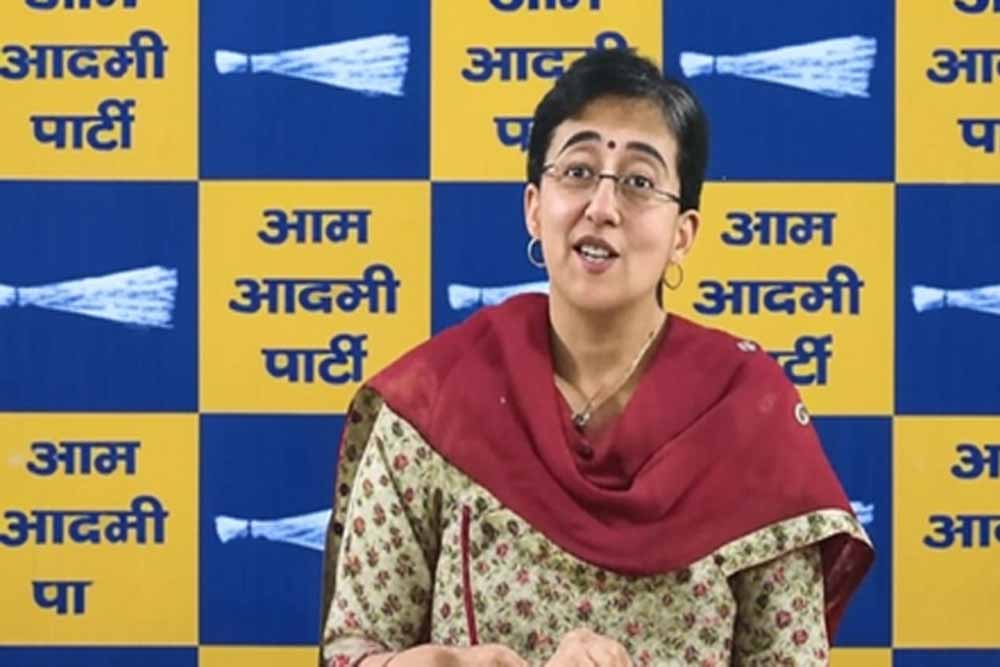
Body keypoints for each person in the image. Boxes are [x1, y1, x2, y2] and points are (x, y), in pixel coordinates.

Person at [319, 48, 873, 667]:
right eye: (578, 172)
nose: (602, 208)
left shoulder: (747, 414)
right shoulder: (437, 402)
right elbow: (351, 652)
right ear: (534, 207)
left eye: (639, 182)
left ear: (683, 233)